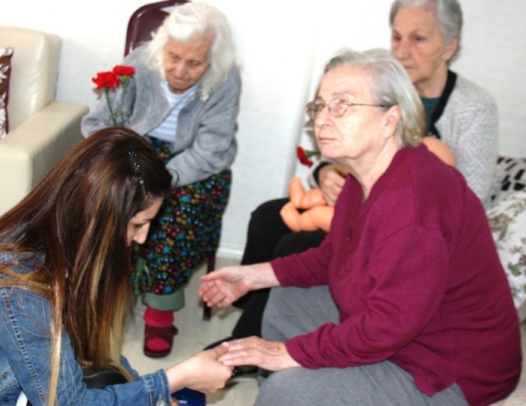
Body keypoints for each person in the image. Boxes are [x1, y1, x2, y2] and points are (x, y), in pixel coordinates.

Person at [199, 48, 521, 406]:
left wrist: (286, 352)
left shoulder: (413, 206)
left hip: (449, 372)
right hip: (406, 333)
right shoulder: (363, 178)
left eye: (341, 105)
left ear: (390, 119)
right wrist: (255, 276)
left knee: (287, 392)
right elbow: (334, 256)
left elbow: (387, 326)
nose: (322, 119)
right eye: (319, 106)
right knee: (288, 299)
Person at [205, 0, 499, 353]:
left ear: (449, 46)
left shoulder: (469, 107)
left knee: (294, 244)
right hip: (359, 197)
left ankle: (250, 342)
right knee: (267, 218)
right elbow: (342, 158)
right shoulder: (369, 83)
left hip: (408, 221)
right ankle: (252, 314)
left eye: (418, 39)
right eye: (397, 37)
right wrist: (329, 172)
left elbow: (467, 194)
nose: (404, 50)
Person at [0, 128, 233, 406]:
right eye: (138, 224)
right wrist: (175, 379)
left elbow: (86, 358)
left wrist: (148, 391)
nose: (142, 239)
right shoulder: (20, 290)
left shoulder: (45, 231)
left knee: (116, 380)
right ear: (101, 221)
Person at [81, 2, 241, 358]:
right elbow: (99, 124)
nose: (180, 70)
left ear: (213, 59)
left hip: (194, 165)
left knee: (170, 215)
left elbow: (213, 149)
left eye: (194, 62)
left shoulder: (225, 79)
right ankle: (102, 290)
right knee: (110, 200)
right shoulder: (140, 63)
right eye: (173, 57)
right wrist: (123, 161)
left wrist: (160, 180)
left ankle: (160, 309)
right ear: (163, 47)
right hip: (138, 150)